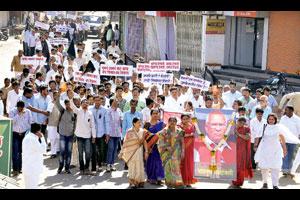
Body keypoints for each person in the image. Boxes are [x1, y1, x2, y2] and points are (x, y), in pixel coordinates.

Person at [254, 113, 287, 189]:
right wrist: (255, 145)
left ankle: (275, 185)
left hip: (276, 149)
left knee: (275, 167)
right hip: (264, 149)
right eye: (269, 119)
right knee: (264, 168)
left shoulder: (278, 127)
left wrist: (284, 148)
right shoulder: (264, 126)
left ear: (275, 120)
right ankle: (265, 183)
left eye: (272, 119)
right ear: (267, 119)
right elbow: (257, 136)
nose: (271, 121)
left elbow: (282, 138)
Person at [68, 91, 96, 175]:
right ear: (81, 104)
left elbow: (93, 126)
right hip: (79, 136)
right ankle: (82, 168)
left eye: (87, 103)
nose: (85, 104)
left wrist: (93, 136)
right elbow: (72, 106)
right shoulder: (78, 111)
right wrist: (70, 98)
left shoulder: (90, 113)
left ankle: (87, 167)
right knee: (80, 153)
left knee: (87, 153)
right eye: (84, 102)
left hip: (87, 136)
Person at [119, 117, 148, 188]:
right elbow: (125, 143)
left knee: (139, 165)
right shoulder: (129, 131)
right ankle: (132, 182)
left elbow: (144, 141)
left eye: (140, 122)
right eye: (138, 122)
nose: (140, 124)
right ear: (134, 123)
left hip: (139, 151)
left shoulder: (142, 131)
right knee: (132, 166)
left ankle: (140, 181)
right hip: (131, 152)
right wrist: (122, 152)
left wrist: (146, 151)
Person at [158, 117, 184, 188]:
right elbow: (160, 142)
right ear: (168, 122)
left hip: (176, 152)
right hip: (166, 153)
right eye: (171, 121)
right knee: (167, 168)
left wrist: (183, 152)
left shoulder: (179, 131)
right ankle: (169, 184)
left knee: (176, 168)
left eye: (174, 121)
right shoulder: (164, 131)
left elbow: (182, 142)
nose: (172, 122)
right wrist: (166, 147)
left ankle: (177, 184)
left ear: (176, 122)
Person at [9, 100, 32, 176]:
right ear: (17, 107)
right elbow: (11, 122)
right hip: (15, 134)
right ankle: (15, 169)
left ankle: (20, 168)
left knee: (22, 152)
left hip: (24, 134)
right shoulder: (12, 111)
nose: (21, 110)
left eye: (22, 108)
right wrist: (18, 114)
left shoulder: (28, 112)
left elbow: (30, 122)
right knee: (15, 152)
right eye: (20, 108)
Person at [22, 123, 47, 189]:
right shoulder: (32, 139)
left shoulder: (28, 137)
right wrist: (42, 138)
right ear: (38, 131)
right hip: (32, 169)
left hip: (29, 168)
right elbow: (43, 149)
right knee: (33, 187)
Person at [231, 117, 253, 188]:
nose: (241, 124)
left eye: (243, 123)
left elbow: (248, 137)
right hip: (233, 151)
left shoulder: (246, 129)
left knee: (240, 167)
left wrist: (238, 134)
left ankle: (239, 182)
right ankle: (234, 181)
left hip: (242, 151)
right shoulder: (232, 128)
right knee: (233, 166)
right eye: (240, 122)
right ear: (237, 121)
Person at [145, 109, 165, 185]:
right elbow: (145, 136)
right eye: (154, 113)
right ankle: (151, 178)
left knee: (159, 162)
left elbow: (164, 134)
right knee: (150, 162)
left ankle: (159, 178)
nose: (155, 115)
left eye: (157, 113)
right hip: (150, 146)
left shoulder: (162, 124)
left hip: (159, 146)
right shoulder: (147, 124)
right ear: (151, 114)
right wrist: (147, 147)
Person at [279, 106, 300, 177]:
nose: (285, 111)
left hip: (293, 140)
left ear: (291, 111)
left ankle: (289, 169)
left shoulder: (297, 119)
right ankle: (285, 169)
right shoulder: (283, 118)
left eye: (287, 110)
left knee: (291, 156)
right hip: (284, 139)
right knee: (284, 154)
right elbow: (280, 128)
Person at [57, 99, 76, 174]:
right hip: (62, 134)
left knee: (69, 152)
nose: (68, 105)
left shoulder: (74, 112)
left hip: (70, 134)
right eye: (67, 104)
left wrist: (74, 134)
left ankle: (67, 168)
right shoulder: (62, 110)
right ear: (64, 105)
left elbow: (74, 123)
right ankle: (60, 167)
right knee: (62, 151)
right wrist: (58, 93)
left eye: (69, 104)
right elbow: (57, 103)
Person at [178, 114, 197, 187]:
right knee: (182, 163)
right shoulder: (179, 126)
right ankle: (182, 181)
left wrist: (190, 135)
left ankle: (188, 180)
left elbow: (195, 133)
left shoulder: (192, 125)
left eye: (187, 119)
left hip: (190, 148)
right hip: (182, 147)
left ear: (189, 119)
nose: (185, 120)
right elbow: (179, 136)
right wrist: (189, 135)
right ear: (181, 119)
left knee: (189, 163)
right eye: (184, 119)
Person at [90, 95, 107, 173]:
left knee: (101, 150)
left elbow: (106, 122)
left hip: (101, 133)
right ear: (93, 101)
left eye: (99, 100)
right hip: (92, 133)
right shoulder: (90, 109)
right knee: (94, 150)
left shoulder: (104, 110)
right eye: (96, 100)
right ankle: (96, 164)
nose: (97, 102)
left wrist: (107, 133)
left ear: (101, 101)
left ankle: (99, 164)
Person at [105, 98, 122, 172]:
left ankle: (112, 164)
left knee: (115, 149)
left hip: (117, 133)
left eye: (117, 102)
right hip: (110, 134)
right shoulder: (108, 111)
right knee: (110, 148)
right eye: (115, 102)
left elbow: (121, 120)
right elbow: (107, 122)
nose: (117, 103)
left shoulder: (119, 110)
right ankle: (108, 164)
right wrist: (107, 134)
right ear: (111, 103)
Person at [46, 90, 61, 158]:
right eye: (56, 95)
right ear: (53, 96)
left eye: (58, 95)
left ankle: (58, 150)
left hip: (60, 124)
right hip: (52, 124)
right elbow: (48, 113)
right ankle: (53, 153)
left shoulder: (62, 103)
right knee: (53, 139)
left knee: (58, 138)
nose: (57, 96)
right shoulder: (51, 103)